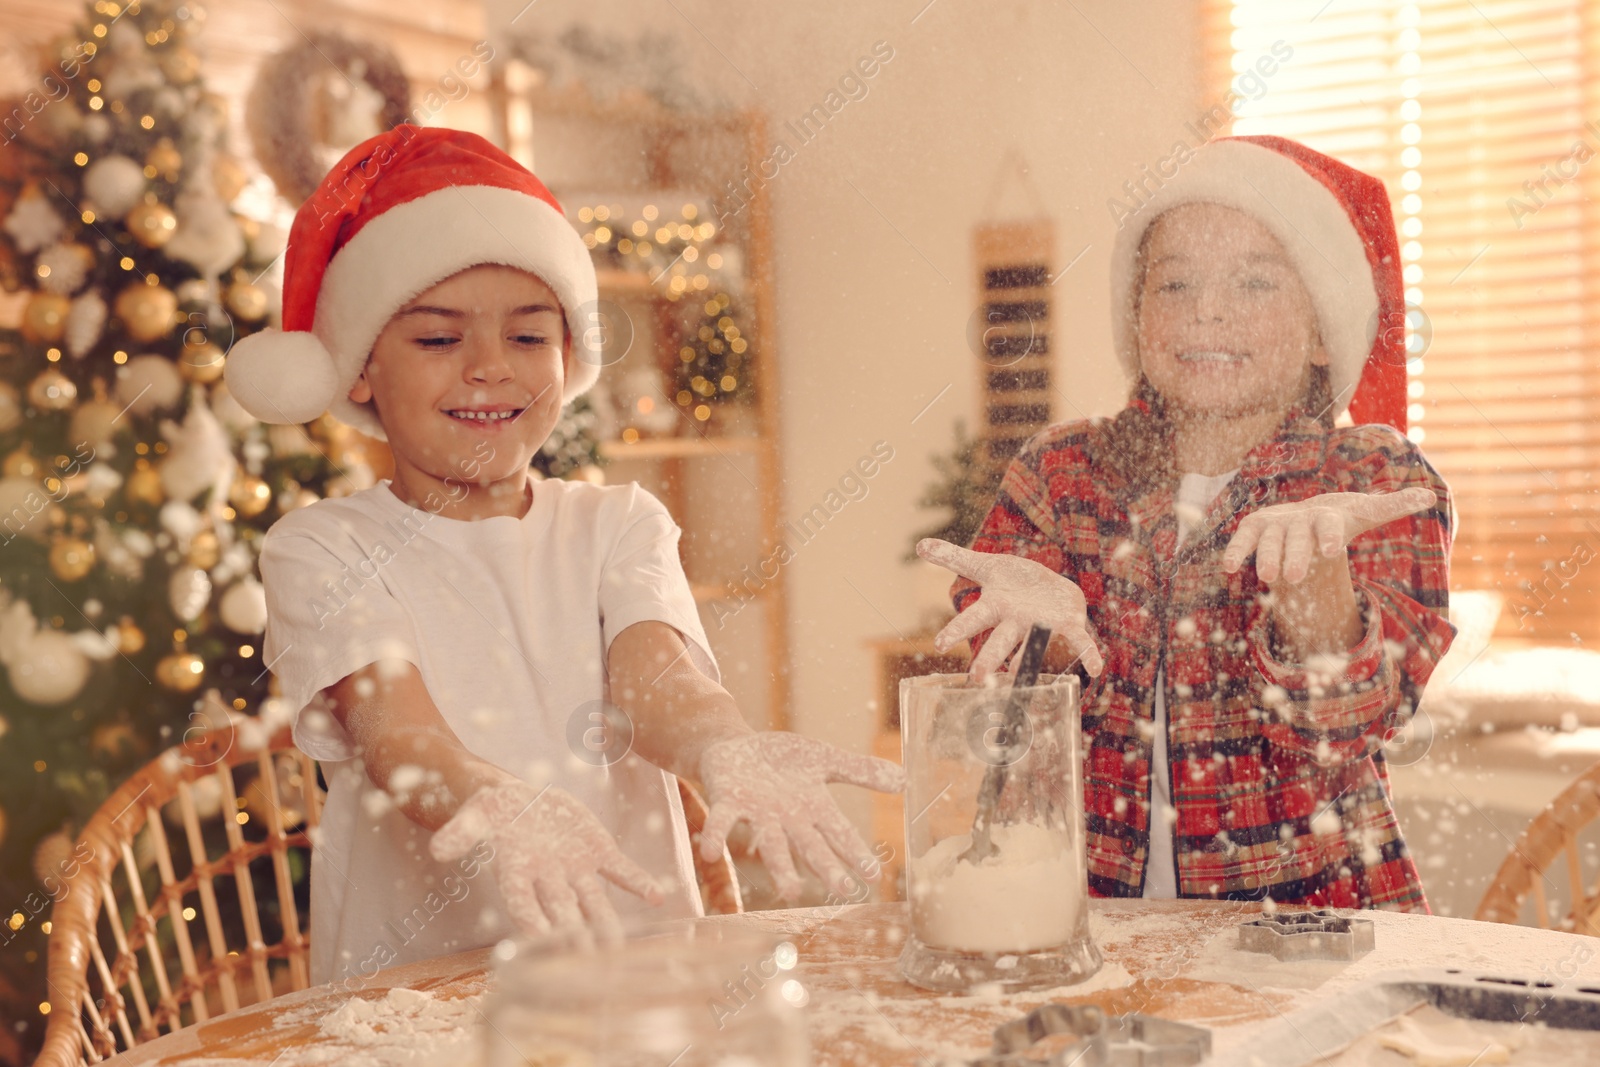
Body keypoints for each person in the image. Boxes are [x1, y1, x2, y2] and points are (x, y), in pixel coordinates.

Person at [225, 125, 903, 985]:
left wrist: (723, 746)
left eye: (528, 337)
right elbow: (397, 735)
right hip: (421, 992)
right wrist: (495, 803)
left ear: (570, 355)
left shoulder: (619, 521)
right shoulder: (323, 547)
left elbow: (658, 683)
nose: (488, 370)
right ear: (360, 369)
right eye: (438, 340)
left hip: (638, 974)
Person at [918, 136, 1454, 910]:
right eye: (1174, 284)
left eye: (1255, 282)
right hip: (1097, 932)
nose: (1207, 308)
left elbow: (1349, 719)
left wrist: (1314, 576)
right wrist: (1045, 629)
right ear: (1137, 323)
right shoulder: (1060, 472)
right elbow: (1003, 719)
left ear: (1318, 333)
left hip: (1320, 940)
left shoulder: (1374, 479)